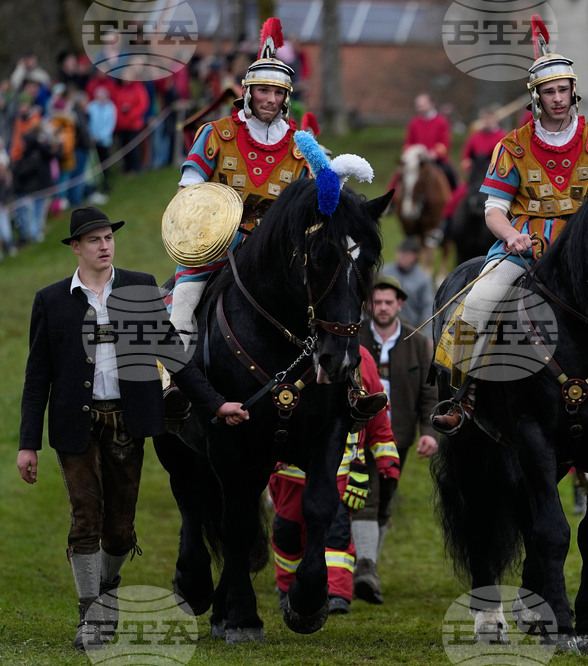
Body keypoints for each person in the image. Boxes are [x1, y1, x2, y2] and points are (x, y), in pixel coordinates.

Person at [17, 207, 247, 650]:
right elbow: (36, 378)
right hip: (74, 426)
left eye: (108, 238)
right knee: (86, 517)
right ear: (76, 248)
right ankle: (92, 613)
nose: (105, 246)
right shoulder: (51, 300)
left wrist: (216, 406)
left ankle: (107, 586)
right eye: (95, 240)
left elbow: (174, 357)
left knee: (119, 531)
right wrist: (28, 445)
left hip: (127, 423)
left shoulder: (139, 288)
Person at [431, 14, 588, 434]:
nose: (557, 98)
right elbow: (493, 209)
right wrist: (512, 236)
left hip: (587, 253)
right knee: (477, 302)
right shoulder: (511, 147)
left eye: (562, 90)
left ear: (574, 91)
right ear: (535, 98)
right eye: (548, 92)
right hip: (525, 248)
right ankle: (462, 394)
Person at [167, 17, 309, 337]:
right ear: (248, 92)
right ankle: (173, 379)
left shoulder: (302, 145)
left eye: (277, 92)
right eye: (263, 90)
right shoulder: (216, 134)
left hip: (278, 251)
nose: (270, 99)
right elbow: (187, 192)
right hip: (217, 245)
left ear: (286, 97)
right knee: (181, 312)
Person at [269, 346, 399, 614]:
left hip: (337, 470)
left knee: (336, 532)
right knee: (287, 532)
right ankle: (288, 589)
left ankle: (337, 593)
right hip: (288, 472)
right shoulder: (288, 357)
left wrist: (386, 458)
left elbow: (374, 408)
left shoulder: (359, 356)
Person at [356, 275, 438, 603]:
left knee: (385, 500)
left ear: (400, 304)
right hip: (357, 435)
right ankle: (365, 567)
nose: (383, 308)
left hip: (398, 436)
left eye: (389, 302)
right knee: (365, 494)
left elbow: (429, 394)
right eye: (377, 302)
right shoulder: (354, 336)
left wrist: (429, 433)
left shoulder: (418, 342)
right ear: (368, 306)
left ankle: (365, 567)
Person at [402, 92, 455, 189]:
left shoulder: (441, 121)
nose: (419, 107)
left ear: (431, 104)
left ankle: (454, 200)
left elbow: (444, 143)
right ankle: (393, 201)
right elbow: (408, 143)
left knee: (450, 176)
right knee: (398, 177)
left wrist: (434, 153)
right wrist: (412, 153)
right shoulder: (414, 123)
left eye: (422, 104)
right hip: (416, 160)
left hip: (437, 161)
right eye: (417, 104)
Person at [381, 237, 434, 327]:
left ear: (415, 256)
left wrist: (429, 335)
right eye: (399, 252)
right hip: (384, 327)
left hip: (410, 329)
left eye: (405, 254)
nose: (400, 256)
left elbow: (427, 307)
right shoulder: (384, 272)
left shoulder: (423, 279)